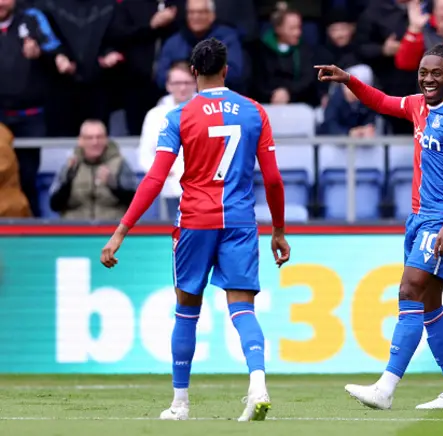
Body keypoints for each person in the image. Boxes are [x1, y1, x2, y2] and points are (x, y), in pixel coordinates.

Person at [100, 37, 290, 422]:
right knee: (242, 308)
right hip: (239, 221)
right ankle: (258, 384)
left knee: (187, 310)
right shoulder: (254, 112)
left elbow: (155, 179)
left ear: (192, 72)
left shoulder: (179, 117)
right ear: (226, 69)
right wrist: (279, 230)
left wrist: (121, 230)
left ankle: (180, 404)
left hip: (195, 222)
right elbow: (272, 180)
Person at [315, 43, 443, 411]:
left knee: (409, 291)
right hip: (421, 217)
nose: (428, 78)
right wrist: (349, 80)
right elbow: (381, 102)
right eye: (423, 72)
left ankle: (386, 388)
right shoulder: (418, 106)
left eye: (436, 72)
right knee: (430, 304)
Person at [138, 61, 197, 220]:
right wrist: (162, 171)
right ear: (168, 85)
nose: (182, 88)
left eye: (187, 82)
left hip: (201, 187)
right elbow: (145, 155)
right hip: (168, 187)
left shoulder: (208, 110)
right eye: (177, 83)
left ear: (196, 83)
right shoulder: (155, 115)